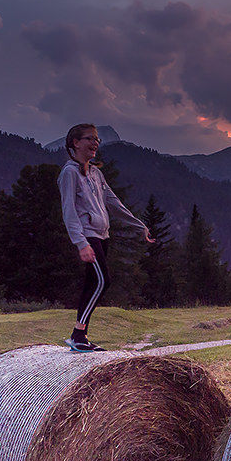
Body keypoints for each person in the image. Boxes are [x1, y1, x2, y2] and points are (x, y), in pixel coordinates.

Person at [57, 123, 154, 351]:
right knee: (102, 281)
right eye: (89, 139)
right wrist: (80, 243)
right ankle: (77, 334)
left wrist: (139, 225)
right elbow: (68, 211)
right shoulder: (69, 173)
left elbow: (113, 202)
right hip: (88, 235)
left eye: (97, 140)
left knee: (93, 282)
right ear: (75, 142)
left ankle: (81, 337)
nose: (95, 143)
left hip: (102, 235)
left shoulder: (96, 173)